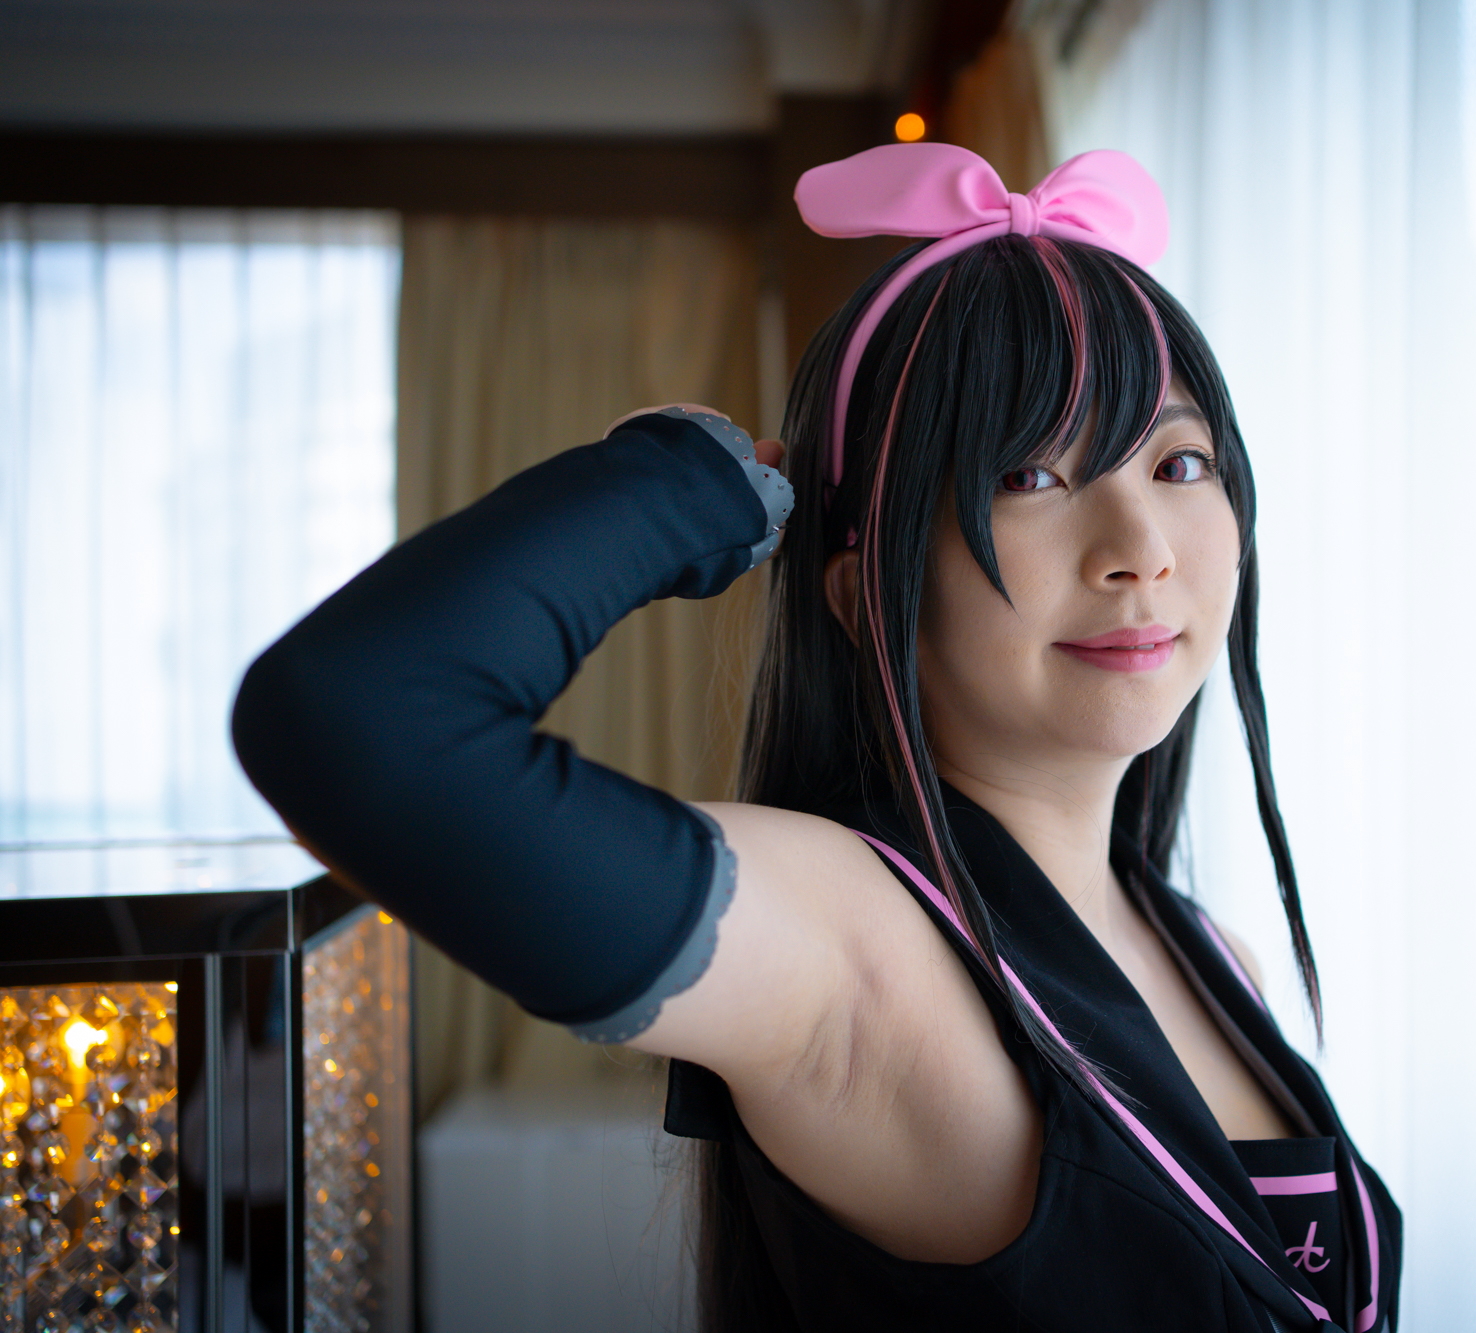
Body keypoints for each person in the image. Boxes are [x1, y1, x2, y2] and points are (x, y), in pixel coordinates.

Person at [233, 144, 1402, 1332]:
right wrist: (680, 487)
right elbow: (354, 715)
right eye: (1028, 473)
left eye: (1178, 462)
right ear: (866, 593)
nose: (1139, 548)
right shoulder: (844, 947)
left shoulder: (1217, 956)